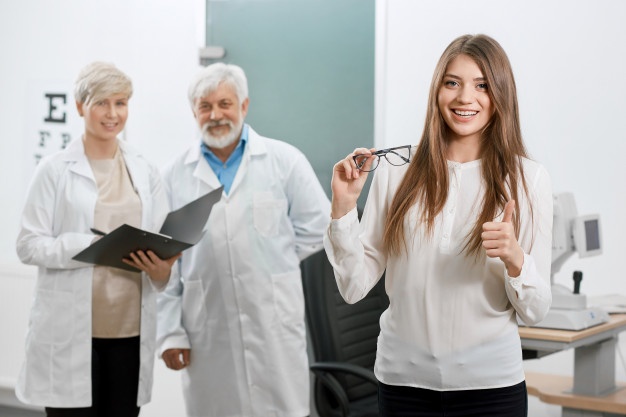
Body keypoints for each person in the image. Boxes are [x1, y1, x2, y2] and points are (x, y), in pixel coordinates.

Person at [325, 34, 553, 417]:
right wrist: (344, 207)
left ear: (501, 94)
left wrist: (515, 259)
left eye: (482, 85)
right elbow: (352, 286)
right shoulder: (396, 173)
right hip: (403, 386)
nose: (465, 98)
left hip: (490, 389)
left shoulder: (528, 179)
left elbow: (536, 310)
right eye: (453, 82)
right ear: (437, 90)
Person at [156, 62, 331, 417]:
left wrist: (271, 259)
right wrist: (170, 333)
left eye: (225, 103)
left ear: (244, 106)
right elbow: (164, 262)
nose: (215, 115)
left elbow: (319, 227)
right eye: (205, 106)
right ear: (194, 112)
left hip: (273, 324)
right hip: (207, 329)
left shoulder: (284, 161)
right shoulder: (173, 175)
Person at [15, 61, 180, 417]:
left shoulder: (144, 169)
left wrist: (161, 271)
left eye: (121, 103)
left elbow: (160, 240)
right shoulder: (54, 170)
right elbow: (28, 245)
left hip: (130, 332)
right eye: (102, 103)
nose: (112, 113)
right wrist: (87, 247)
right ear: (80, 106)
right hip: (71, 332)